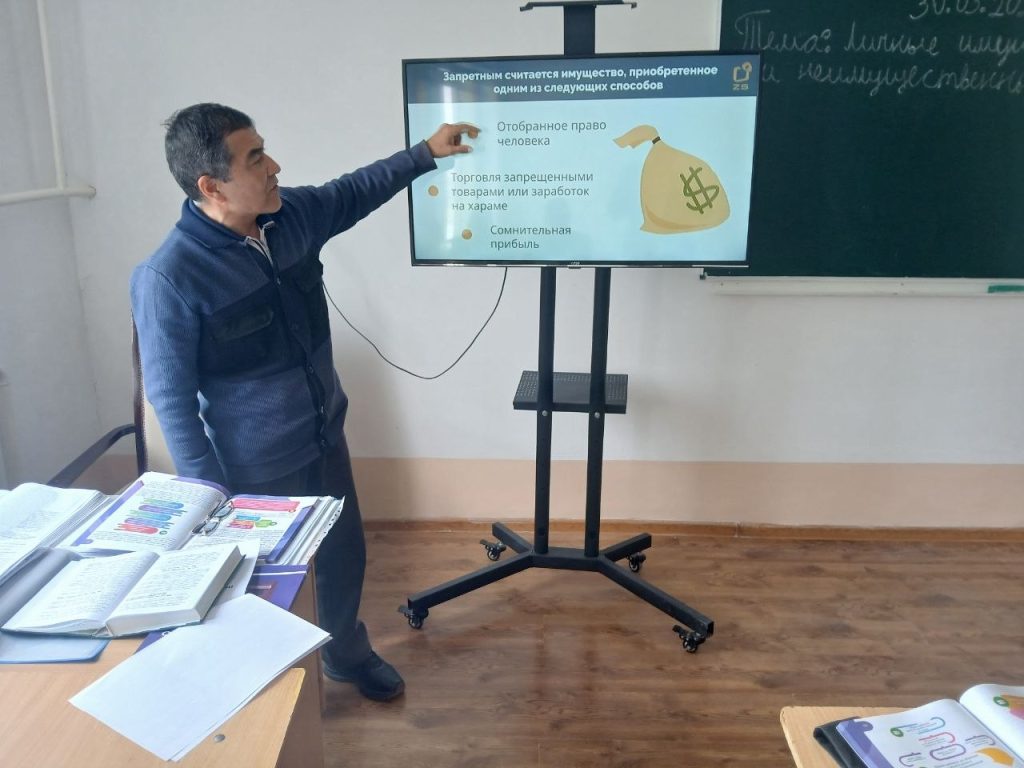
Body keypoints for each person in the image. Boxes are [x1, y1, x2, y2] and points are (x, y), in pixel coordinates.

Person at [130, 103, 477, 701]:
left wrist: (425, 153)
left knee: (343, 558)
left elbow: (354, 191)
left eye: (264, 150)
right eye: (255, 158)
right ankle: (273, 697)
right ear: (212, 186)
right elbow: (171, 399)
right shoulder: (170, 277)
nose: (274, 167)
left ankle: (346, 653)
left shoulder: (290, 216)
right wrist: (210, 496)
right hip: (255, 471)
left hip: (324, 438)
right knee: (267, 589)